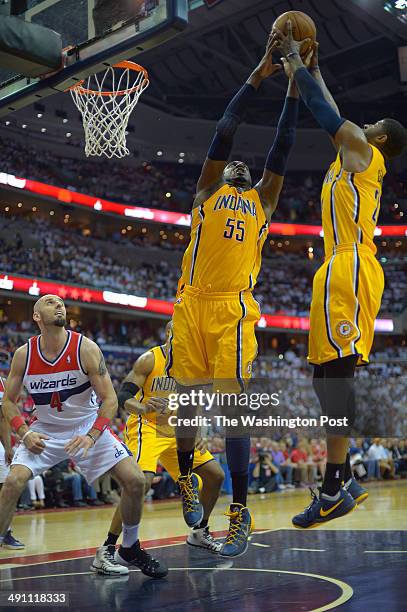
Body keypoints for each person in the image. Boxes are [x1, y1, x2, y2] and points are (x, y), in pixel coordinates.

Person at [167, 31, 308, 558]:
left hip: (233, 310)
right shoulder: (206, 190)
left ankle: (239, 512)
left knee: (232, 412)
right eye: (232, 165)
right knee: (184, 405)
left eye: (245, 168)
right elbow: (225, 130)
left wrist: (294, 86)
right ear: (222, 172)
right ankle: (185, 479)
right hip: (190, 304)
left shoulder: (264, 202)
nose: (240, 164)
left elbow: (283, 144)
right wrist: (256, 75)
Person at [274, 23, 407, 528]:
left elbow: (325, 112)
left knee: (338, 376)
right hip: (338, 267)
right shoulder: (352, 156)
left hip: (350, 265)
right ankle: (345, 474)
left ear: (379, 138)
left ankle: (332, 487)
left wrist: (292, 60)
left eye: (370, 121)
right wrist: (313, 66)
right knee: (322, 375)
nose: (363, 121)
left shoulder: (364, 152)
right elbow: (329, 103)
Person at [0, 295, 167, 578]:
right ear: (36, 316)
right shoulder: (24, 355)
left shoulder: (85, 348)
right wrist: (23, 433)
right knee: (13, 481)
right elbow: (8, 402)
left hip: (87, 428)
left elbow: (110, 400)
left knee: (136, 481)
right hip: (44, 430)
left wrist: (91, 436)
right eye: (51, 302)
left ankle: (127, 547)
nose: (59, 305)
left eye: (61, 303)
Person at [95, 321, 224, 574]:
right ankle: (107, 549)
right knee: (139, 483)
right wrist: (142, 408)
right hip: (148, 428)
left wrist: (197, 431)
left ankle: (200, 531)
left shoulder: (193, 365)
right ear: (169, 333)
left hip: (179, 431)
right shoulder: (149, 359)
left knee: (215, 475)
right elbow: (123, 397)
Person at [0, 375, 24, 549]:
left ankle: (5, 532)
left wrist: (8, 446)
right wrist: (8, 447)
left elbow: (4, 418)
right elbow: (3, 419)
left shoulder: (3, 382)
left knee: (7, 485)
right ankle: (5, 533)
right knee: (8, 486)